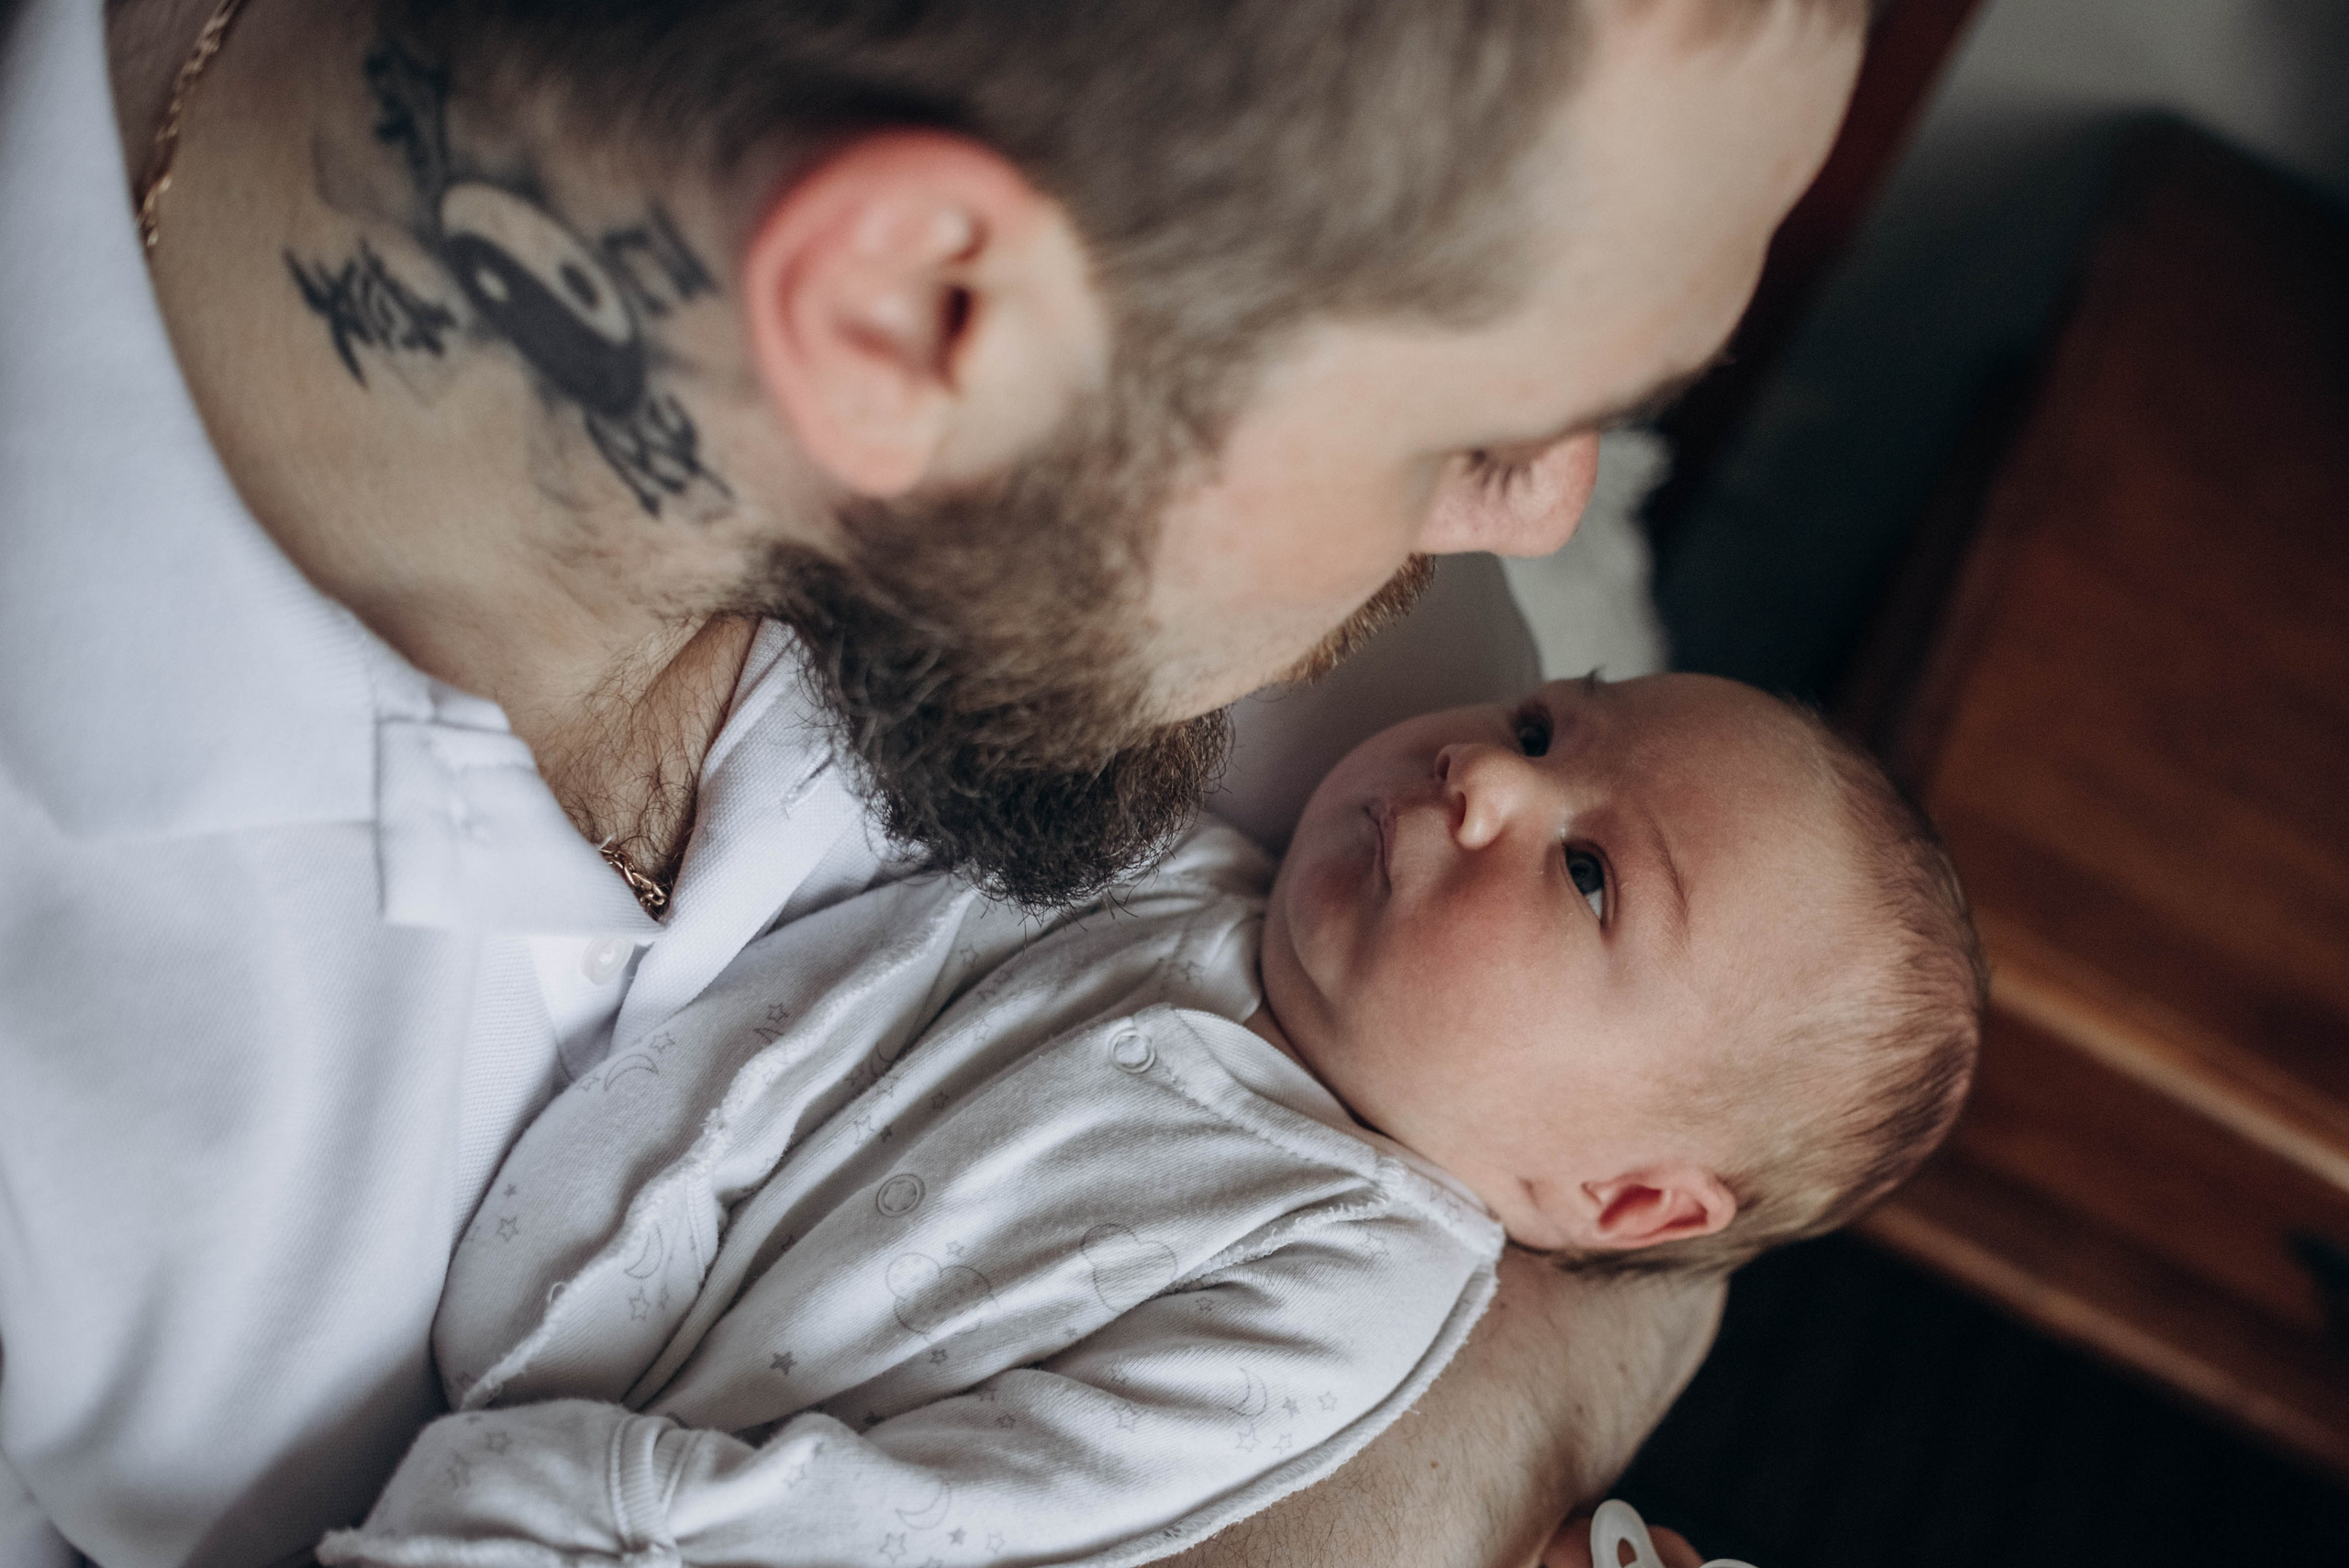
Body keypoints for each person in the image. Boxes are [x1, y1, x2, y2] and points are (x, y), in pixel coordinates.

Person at [0, 0, 1866, 1563]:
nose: (1520, 525)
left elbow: (1667, 1203)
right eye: (1472, 428)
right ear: (904, 319)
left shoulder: (1349, 673)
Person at [314, 673, 1984, 1565]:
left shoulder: (1359, 1278)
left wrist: (612, 1511)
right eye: (1547, 721)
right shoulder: (1197, 862)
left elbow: (982, 1510)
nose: (1489, 773)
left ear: (1620, 1204)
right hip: (540, 1299)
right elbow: (824, 1005)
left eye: (1591, 872)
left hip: (639, 1506)